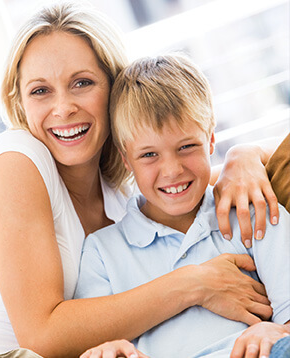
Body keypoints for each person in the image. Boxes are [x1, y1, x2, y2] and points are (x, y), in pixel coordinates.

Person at [0, 2, 283, 358]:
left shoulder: (119, 189)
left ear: (114, 90)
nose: (63, 107)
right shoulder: (17, 159)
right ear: (20, 103)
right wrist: (195, 283)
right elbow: (40, 337)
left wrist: (245, 155)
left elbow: (190, 175)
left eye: (82, 83)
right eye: (40, 91)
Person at [74, 53, 290, 358]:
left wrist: (275, 331)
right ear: (126, 159)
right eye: (149, 155)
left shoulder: (252, 211)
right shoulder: (101, 253)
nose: (172, 170)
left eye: (187, 147)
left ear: (211, 140)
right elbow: (94, 342)